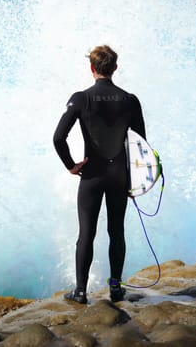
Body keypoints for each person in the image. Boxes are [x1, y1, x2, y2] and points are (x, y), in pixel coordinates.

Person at [53, 45, 146, 304]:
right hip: (119, 175)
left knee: (86, 234)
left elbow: (58, 138)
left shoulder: (82, 98)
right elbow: (141, 145)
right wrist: (135, 182)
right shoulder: (130, 100)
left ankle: (81, 292)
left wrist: (71, 165)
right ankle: (116, 288)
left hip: (92, 175)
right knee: (117, 232)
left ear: (91, 68)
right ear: (115, 68)